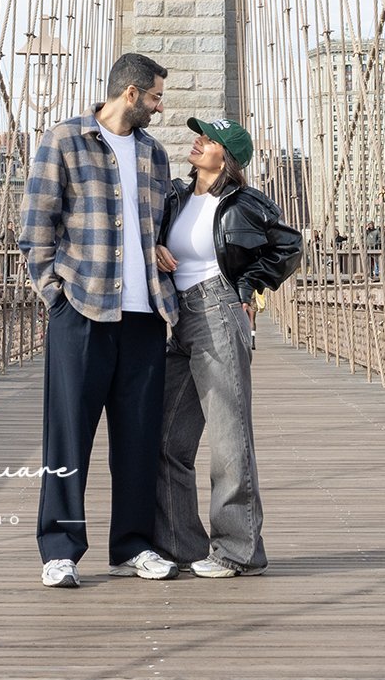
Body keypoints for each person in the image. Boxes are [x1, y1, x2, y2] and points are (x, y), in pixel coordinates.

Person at [17, 52, 181, 588]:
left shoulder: (155, 156)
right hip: (82, 310)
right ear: (131, 93)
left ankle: (132, 546)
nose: (160, 107)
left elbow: (159, 228)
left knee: (138, 438)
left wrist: (159, 251)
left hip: (143, 316)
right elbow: (35, 224)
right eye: (155, 96)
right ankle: (60, 549)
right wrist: (53, 294)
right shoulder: (64, 140)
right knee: (68, 436)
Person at [151, 115, 302, 578]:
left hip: (218, 310)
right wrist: (155, 246)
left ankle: (239, 550)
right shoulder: (174, 195)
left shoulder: (246, 202)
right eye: (200, 135)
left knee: (227, 438)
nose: (198, 142)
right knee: (165, 439)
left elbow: (289, 246)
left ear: (227, 158)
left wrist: (249, 287)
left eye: (210, 139)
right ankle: (183, 545)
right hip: (172, 316)